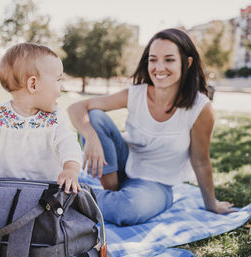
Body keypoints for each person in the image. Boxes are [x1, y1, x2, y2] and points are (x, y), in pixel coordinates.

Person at [67, 28, 237, 226]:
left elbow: (200, 160)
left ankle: (68, 197)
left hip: (156, 185)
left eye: (169, 60)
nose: (159, 67)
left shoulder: (200, 108)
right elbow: (76, 107)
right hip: (122, 166)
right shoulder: (136, 94)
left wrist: (211, 204)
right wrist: (90, 135)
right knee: (94, 116)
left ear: (187, 63)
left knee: (127, 210)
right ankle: (109, 193)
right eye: (153, 59)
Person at [0, 42, 82, 199]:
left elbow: (68, 144)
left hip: (47, 196)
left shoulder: (55, 117)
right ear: (33, 84)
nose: (61, 87)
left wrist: (70, 169)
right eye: (57, 80)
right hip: (5, 194)